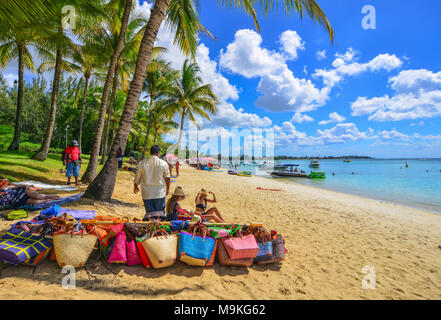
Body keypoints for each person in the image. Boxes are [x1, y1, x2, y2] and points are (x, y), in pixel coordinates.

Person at [134, 145, 170, 221]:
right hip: (159, 193)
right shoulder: (163, 163)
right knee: (160, 216)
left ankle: (151, 230)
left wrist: (135, 186)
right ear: (158, 153)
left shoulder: (142, 163)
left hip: (147, 194)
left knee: (150, 215)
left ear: (150, 152)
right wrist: (167, 189)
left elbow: (137, 177)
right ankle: (159, 231)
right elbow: (167, 178)